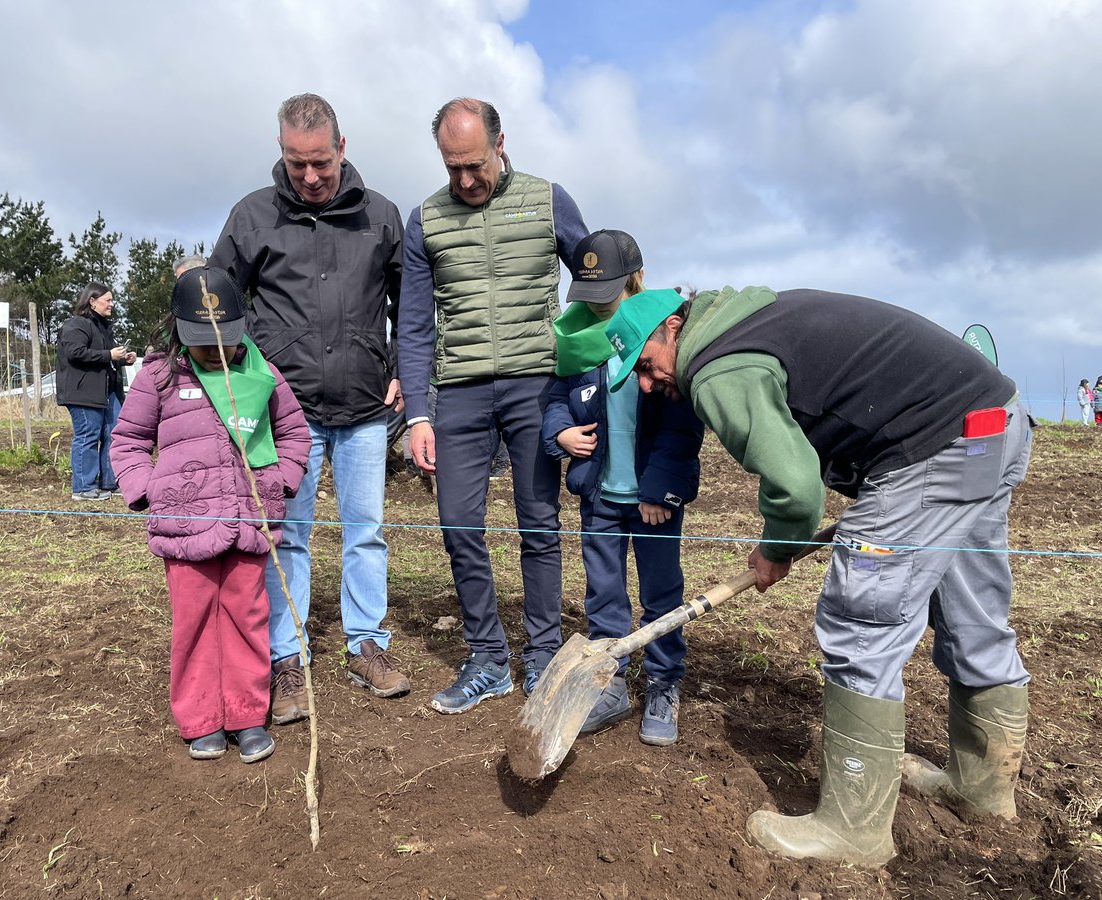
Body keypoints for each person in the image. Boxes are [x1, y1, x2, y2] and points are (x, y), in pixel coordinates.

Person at [604, 286, 1034, 867]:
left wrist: (776, 547)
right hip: (991, 424)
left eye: (648, 367)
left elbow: (796, 487)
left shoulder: (716, 368)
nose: (651, 385)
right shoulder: (750, 318)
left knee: (861, 619)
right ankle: (982, 790)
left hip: (933, 445)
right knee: (971, 614)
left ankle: (852, 831)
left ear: (673, 328)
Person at [209, 93, 410, 722]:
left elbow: (411, 304)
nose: (311, 176)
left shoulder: (380, 216)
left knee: (366, 531)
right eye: (298, 165)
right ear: (281, 153)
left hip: (364, 405)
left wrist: (402, 366)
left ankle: (367, 644)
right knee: (287, 535)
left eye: (320, 162)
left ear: (342, 148)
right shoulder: (251, 217)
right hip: (284, 412)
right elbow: (218, 306)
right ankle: (286, 657)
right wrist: (239, 383)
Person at [397, 97, 589, 713]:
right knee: (457, 520)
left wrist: (598, 374)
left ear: (502, 143)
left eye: (475, 164)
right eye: (453, 168)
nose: (465, 180)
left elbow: (595, 286)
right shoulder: (424, 220)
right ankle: (487, 659)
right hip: (459, 391)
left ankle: (541, 654)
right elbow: (415, 325)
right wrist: (418, 414)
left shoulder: (548, 200)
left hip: (537, 383)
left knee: (538, 521)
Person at [110, 267, 312, 763]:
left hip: (250, 523)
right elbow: (129, 440)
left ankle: (246, 716)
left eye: (224, 340)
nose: (214, 352)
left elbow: (295, 434)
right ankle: (201, 720)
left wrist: (277, 483)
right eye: (201, 341)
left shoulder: (262, 374)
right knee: (194, 621)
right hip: (184, 529)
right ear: (177, 328)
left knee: (248, 616)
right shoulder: (159, 375)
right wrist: (148, 489)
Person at [541, 230, 703, 745]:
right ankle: (610, 682)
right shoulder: (580, 343)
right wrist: (560, 431)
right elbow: (556, 399)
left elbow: (683, 426)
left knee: (661, 592)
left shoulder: (665, 341)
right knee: (604, 593)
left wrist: (660, 489)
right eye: (588, 296)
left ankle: (663, 681)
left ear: (635, 281)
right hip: (600, 495)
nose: (596, 306)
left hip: (653, 502)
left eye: (607, 293)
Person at [55, 282, 135, 501]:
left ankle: (109, 483)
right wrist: (110, 355)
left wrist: (123, 360)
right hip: (83, 392)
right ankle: (83, 487)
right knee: (88, 435)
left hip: (106, 392)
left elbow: (103, 357)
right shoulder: (76, 324)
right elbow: (75, 352)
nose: (112, 304)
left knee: (114, 434)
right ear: (92, 301)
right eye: (107, 300)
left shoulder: (103, 327)